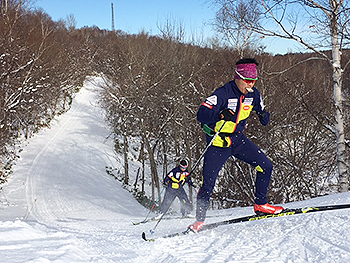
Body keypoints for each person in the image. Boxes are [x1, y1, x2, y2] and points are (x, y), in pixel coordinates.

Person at [188, 58, 283, 232]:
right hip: (218, 143)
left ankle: (261, 204)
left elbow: (260, 109)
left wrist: (264, 116)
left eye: (254, 80)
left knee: (266, 166)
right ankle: (199, 221)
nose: (251, 84)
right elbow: (201, 114)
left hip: (238, 140)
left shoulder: (254, 94)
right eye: (247, 80)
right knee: (208, 183)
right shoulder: (223, 93)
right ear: (237, 77)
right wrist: (220, 115)